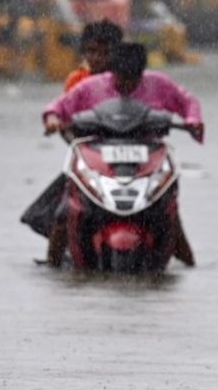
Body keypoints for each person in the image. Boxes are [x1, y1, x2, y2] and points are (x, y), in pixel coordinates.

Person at [37, 44, 204, 267]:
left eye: (132, 80)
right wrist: (53, 119)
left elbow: (187, 102)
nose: (126, 85)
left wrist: (193, 121)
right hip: (100, 160)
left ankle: (187, 263)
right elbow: (59, 106)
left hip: (145, 161)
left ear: (141, 74)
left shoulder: (159, 84)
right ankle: (52, 265)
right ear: (112, 72)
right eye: (121, 78)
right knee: (65, 212)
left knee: (168, 211)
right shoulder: (91, 87)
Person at [64, 20, 124, 93]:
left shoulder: (123, 80)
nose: (97, 58)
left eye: (105, 53)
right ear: (84, 51)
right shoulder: (77, 79)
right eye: (91, 51)